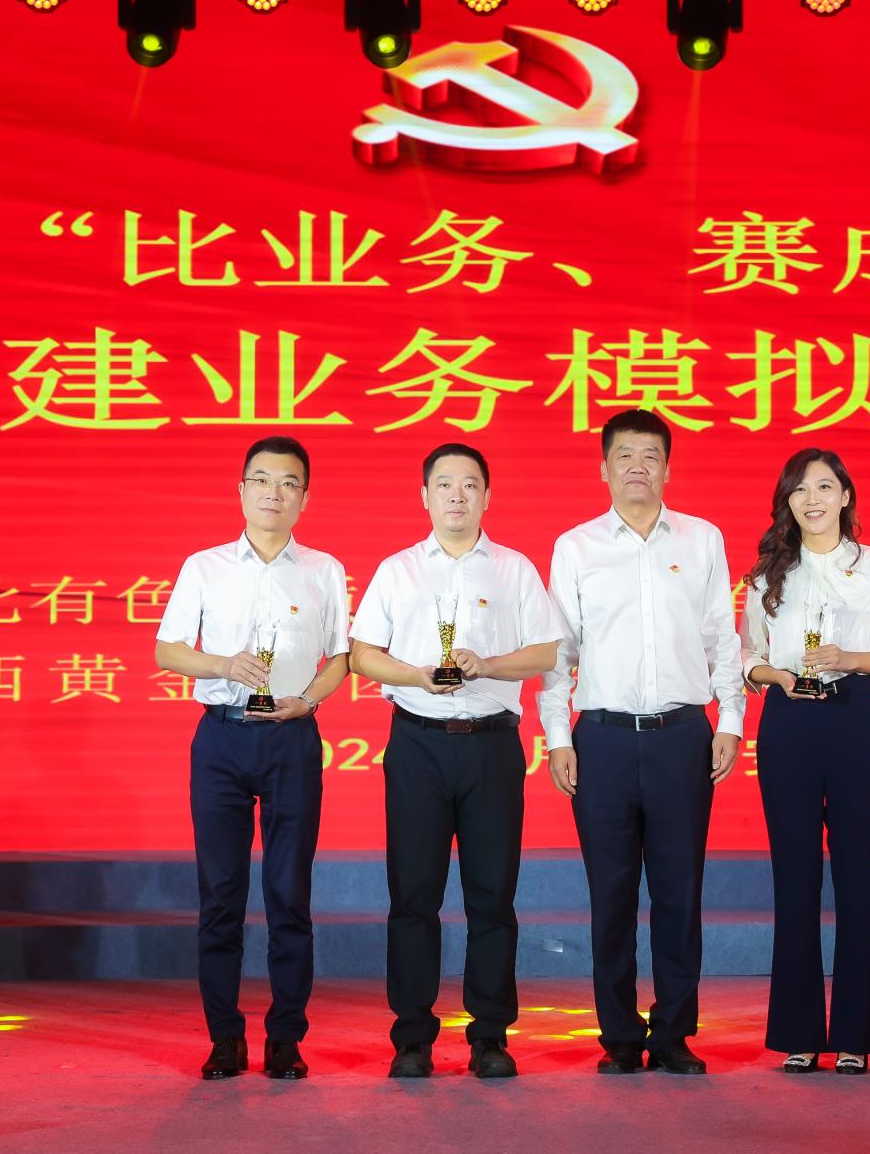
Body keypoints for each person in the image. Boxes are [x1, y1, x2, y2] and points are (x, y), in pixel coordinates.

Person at [537, 409, 745, 1075]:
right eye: (624, 454)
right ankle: (620, 1035)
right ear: (603, 467)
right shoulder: (576, 546)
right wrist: (557, 736)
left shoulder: (702, 539)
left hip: (682, 736)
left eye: (650, 455)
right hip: (600, 738)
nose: (637, 466)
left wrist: (730, 720)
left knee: (680, 891)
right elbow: (558, 652)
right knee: (613, 894)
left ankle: (675, 1032)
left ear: (667, 468)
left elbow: (722, 637)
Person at [350, 443, 563, 1081]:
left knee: (492, 895)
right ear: (424, 496)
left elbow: (547, 652)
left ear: (487, 496)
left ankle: (490, 1035)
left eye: (470, 484)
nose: (457, 496)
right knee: (413, 894)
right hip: (417, 742)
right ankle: (412, 1038)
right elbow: (362, 655)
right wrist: (417, 674)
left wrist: (488, 665)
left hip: (492, 745)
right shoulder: (398, 570)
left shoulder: (515, 570)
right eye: (444, 484)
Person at [153, 435, 350, 1081]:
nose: (274, 492)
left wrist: (308, 700)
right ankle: (224, 1037)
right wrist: (222, 664)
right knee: (221, 895)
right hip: (221, 739)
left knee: (289, 894)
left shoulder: (323, 570)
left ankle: (286, 1037)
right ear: (240, 490)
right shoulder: (205, 566)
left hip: (291, 737)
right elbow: (167, 649)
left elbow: (341, 657)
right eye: (261, 480)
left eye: (288, 482)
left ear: (305, 498)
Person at [741, 448, 870, 1075]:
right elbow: (745, 657)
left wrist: (851, 659)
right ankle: (798, 1030)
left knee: (857, 874)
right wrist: (775, 675)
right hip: (788, 720)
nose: (810, 500)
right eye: (798, 490)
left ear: (845, 495)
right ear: (786, 503)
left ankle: (856, 1033)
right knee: (794, 877)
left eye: (822, 487)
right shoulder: (767, 574)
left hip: (855, 717)